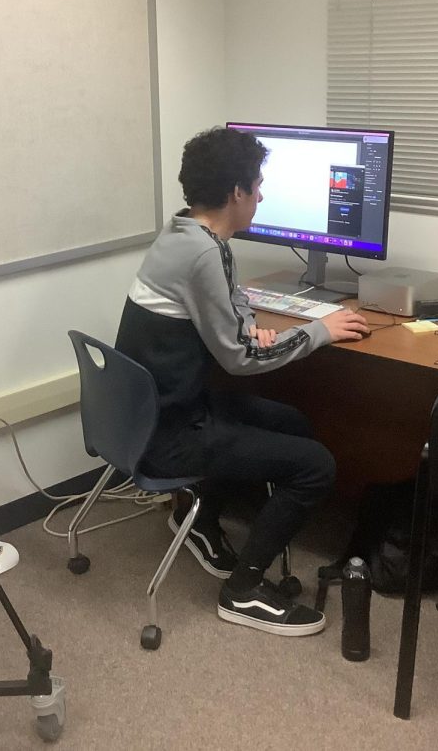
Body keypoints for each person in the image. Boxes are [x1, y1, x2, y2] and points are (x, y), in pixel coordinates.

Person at [114, 125, 370, 636]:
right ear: (237, 193)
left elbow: (221, 316)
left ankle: (201, 519)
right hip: (168, 433)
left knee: (291, 420)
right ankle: (243, 590)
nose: (262, 194)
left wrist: (245, 326)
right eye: (257, 184)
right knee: (316, 465)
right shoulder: (204, 252)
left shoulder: (184, 231)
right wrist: (320, 330)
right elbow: (239, 361)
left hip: (151, 412)